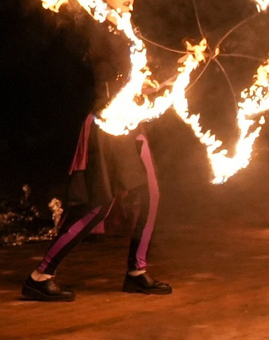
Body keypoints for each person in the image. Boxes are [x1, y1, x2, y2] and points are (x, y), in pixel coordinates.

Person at [24, 114, 169, 300]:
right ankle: (40, 276)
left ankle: (137, 272)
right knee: (98, 205)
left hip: (132, 123)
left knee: (149, 194)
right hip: (108, 124)